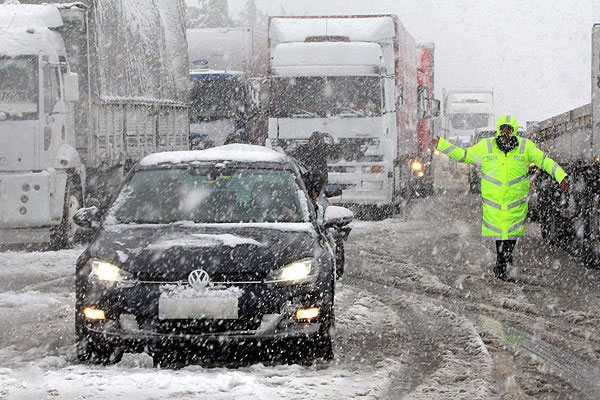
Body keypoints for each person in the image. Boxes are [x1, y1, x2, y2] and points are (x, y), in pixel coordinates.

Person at [432, 114, 569, 282]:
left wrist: (562, 176)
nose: (506, 132)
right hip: (494, 203)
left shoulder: (526, 148)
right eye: (503, 129)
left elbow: (545, 162)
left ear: (514, 131)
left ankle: (503, 265)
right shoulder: (486, 147)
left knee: (510, 237)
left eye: (509, 129)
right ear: (499, 130)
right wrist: (442, 144)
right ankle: (504, 266)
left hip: (515, 202)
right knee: (501, 236)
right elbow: (464, 155)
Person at [292, 131, 330, 205]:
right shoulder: (304, 150)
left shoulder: (321, 153)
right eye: (311, 140)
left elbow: (323, 172)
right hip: (306, 182)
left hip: (316, 183)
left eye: (315, 140)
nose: (312, 142)